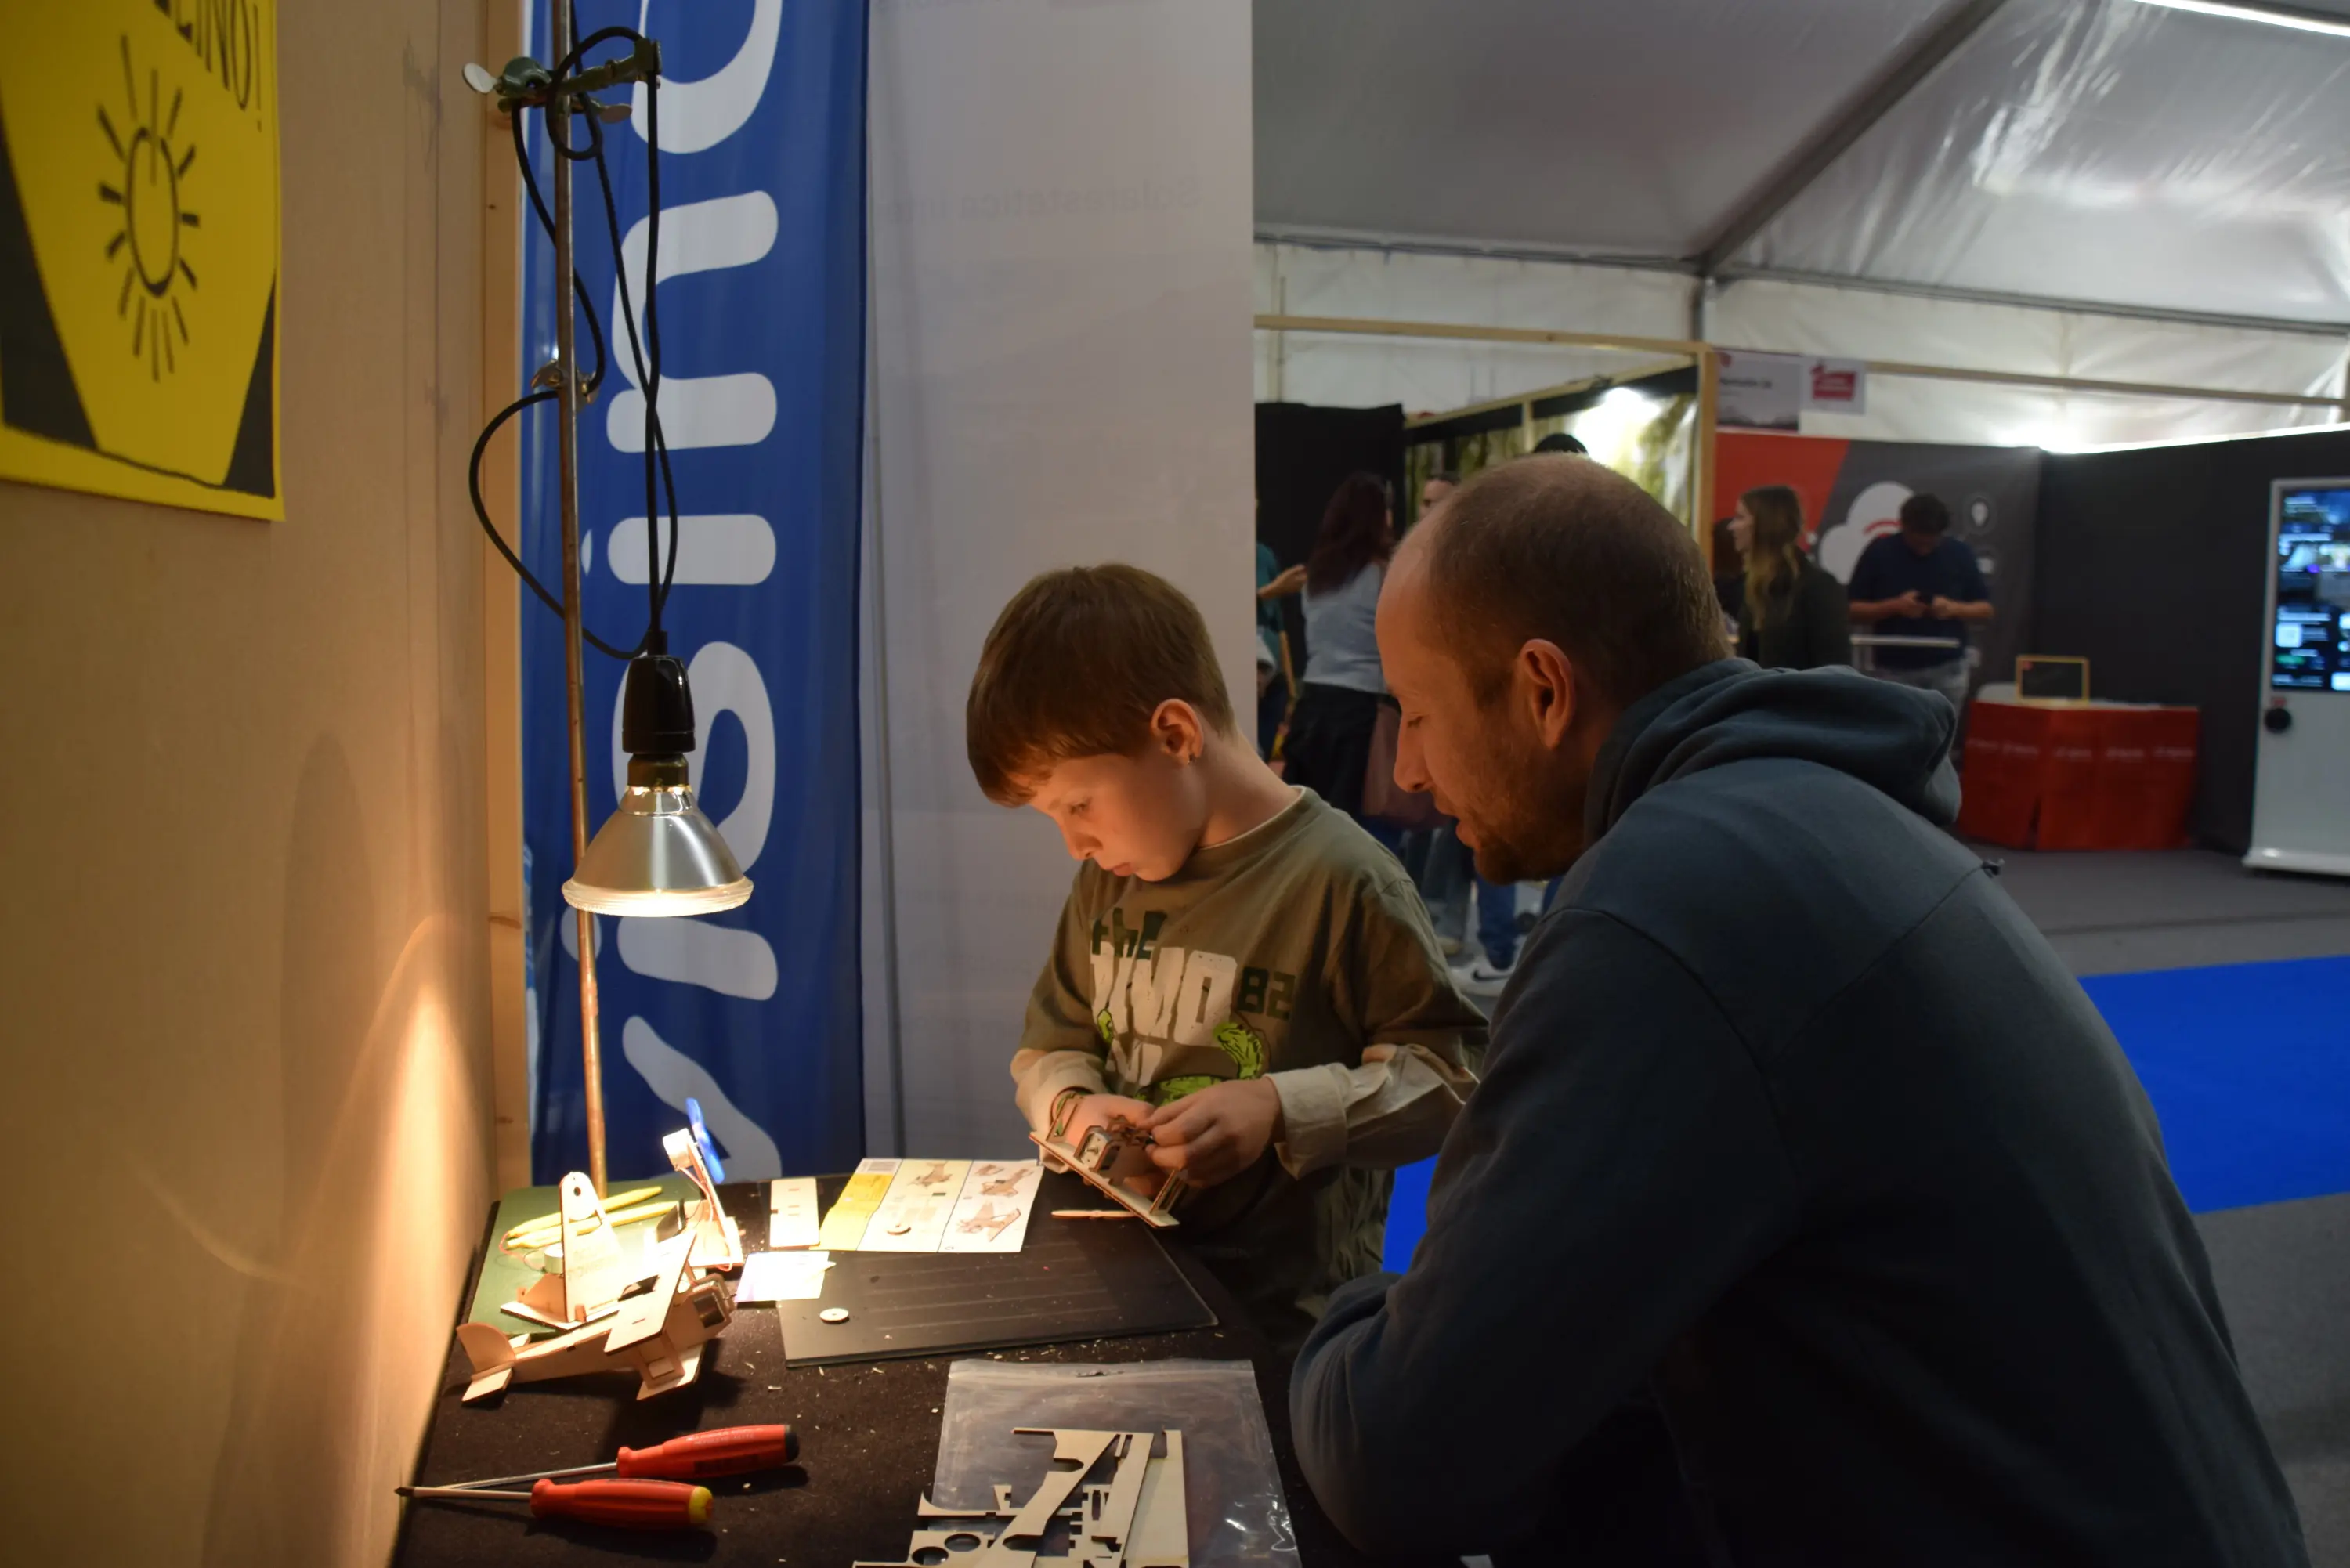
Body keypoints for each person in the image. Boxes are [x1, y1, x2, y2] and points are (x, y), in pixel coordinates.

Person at [1290, 457, 2305, 1564]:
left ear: (1543, 689)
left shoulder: (1670, 907)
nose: (1411, 770)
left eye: (1420, 714)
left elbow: (1396, 1459)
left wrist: (1338, 1312)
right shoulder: (1830, 819)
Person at [966, 564, 1484, 1349]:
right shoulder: (1107, 882)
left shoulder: (1344, 880)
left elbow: (1450, 1080)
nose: (1075, 843)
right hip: (1125, 1294)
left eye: (1078, 804)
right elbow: (1051, 1044)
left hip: (1283, 1329)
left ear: (1175, 735)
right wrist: (1072, 1107)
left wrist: (1280, 1107)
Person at [1280, 473, 1397, 837]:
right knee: (1356, 827)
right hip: (1361, 709)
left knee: (1307, 821)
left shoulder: (1316, 577)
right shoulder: (1385, 576)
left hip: (1312, 705)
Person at [1847, 491, 1990, 714]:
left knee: (1942, 732)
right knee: (1896, 731)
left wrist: (1953, 608)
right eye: (1917, 541)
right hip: (1893, 669)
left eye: (1931, 542)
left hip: (1948, 667)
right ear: (1903, 526)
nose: (1924, 549)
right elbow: (1851, 611)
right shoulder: (1879, 552)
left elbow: (1985, 610)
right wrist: (1894, 606)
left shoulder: (1960, 553)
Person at [1722, 484, 1851, 670]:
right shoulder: (1752, 587)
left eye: (1740, 518)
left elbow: (1836, 668)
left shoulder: (1819, 587)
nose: (1731, 526)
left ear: (1766, 524)